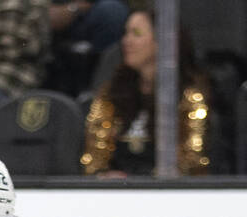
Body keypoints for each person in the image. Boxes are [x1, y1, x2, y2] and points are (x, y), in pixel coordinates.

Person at [80, 6, 212, 177]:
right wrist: (103, 175)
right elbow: (94, 157)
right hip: (116, 194)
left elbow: (193, 161)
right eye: (126, 33)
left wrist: (150, 183)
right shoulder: (111, 92)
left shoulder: (189, 97)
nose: (126, 41)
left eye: (136, 33)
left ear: (161, 42)